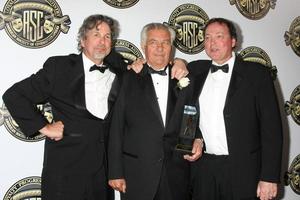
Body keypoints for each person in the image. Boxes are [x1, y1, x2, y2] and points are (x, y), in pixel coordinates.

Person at [2, 14, 188, 200]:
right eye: (96, 35)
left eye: (107, 37)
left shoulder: (120, 70)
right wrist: (45, 127)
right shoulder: (60, 67)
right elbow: (14, 96)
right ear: (83, 40)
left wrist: (179, 62)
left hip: (102, 175)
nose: (102, 41)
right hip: (65, 173)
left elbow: (155, 65)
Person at [187, 17, 283, 200]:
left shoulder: (257, 75)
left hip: (244, 171)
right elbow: (188, 112)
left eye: (218, 36)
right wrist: (197, 136)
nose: (212, 42)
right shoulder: (195, 71)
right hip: (204, 170)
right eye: (207, 37)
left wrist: (269, 177)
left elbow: (272, 130)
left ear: (233, 41)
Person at [108, 22, 202, 200]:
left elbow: (190, 119)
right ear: (143, 47)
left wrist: (196, 139)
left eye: (165, 42)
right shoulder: (127, 78)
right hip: (137, 174)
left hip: (176, 175)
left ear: (171, 47)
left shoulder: (185, 79)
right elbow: (116, 126)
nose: (160, 48)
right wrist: (115, 171)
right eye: (153, 42)